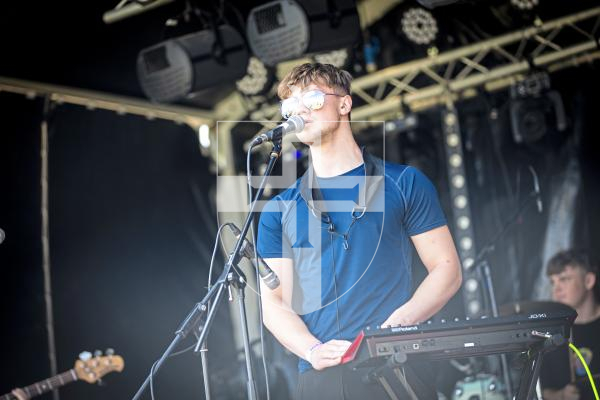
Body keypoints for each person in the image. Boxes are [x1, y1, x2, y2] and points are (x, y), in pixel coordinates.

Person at [256, 63, 462, 400]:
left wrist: (397, 324)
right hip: (320, 378)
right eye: (290, 106)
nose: (300, 111)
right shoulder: (278, 210)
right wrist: (311, 350)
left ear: (344, 104)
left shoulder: (405, 183)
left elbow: (447, 269)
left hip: (396, 366)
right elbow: (274, 304)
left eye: (312, 99)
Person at [540, 249, 600, 400]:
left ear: (588, 281)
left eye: (564, 279)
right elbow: (545, 391)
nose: (556, 289)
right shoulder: (550, 335)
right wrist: (561, 396)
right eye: (553, 282)